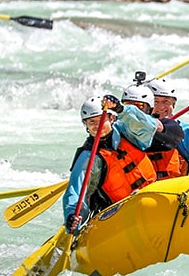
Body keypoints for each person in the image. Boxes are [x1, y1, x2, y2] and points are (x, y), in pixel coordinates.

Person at [62, 95, 158, 233]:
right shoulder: (88, 157)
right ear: (86, 126)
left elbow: (148, 128)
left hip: (153, 194)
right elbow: (76, 192)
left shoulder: (126, 131)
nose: (97, 126)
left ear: (112, 118)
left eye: (101, 120)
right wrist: (72, 216)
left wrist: (121, 109)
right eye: (91, 122)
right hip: (122, 211)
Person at [121, 82, 186, 179]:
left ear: (149, 109)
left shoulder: (168, 125)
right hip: (137, 188)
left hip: (169, 186)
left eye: (140, 106)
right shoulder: (118, 129)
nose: (133, 111)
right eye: (128, 106)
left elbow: (176, 134)